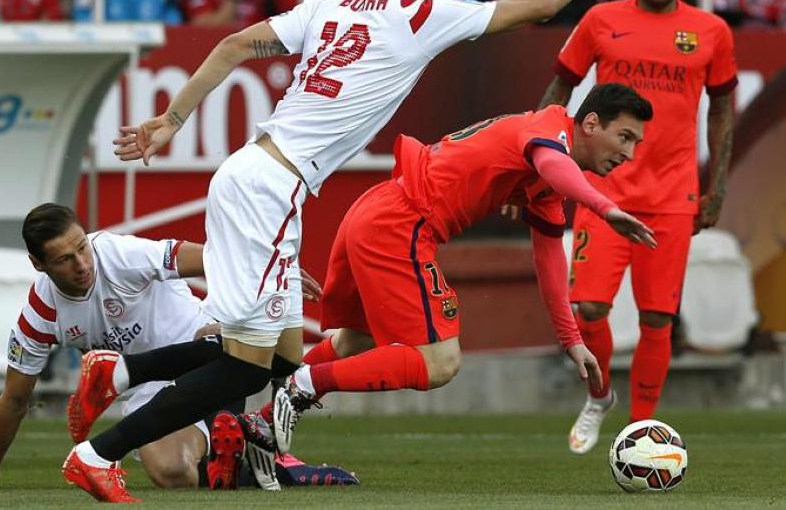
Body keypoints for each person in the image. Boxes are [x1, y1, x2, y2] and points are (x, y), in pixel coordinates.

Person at [63, 0, 617, 502]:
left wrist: (172, 120)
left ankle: (122, 374)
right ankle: (98, 454)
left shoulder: (331, 4)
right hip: (270, 188)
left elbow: (230, 44)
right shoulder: (422, 16)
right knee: (246, 365)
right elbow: (534, 5)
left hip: (259, 174)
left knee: (282, 354)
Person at [271, 84, 657, 454]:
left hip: (376, 211)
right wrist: (604, 208)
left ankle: (259, 422)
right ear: (590, 124)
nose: (629, 153)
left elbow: (549, 256)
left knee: (356, 341)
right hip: (401, 222)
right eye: (624, 137)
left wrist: (570, 338)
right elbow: (552, 163)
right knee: (440, 362)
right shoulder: (548, 132)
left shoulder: (549, 171)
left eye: (636, 143)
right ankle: (303, 383)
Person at [0, 203, 345, 494]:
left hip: (206, 359)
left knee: (236, 340)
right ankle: (249, 459)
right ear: (38, 265)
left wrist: (273, 268)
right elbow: (14, 399)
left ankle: (236, 439)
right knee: (171, 473)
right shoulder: (40, 315)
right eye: (64, 259)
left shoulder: (115, 254)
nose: (81, 263)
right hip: (148, 390)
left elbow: (208, 259)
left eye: (82, 247)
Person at [537, 0, 737, 455]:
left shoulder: (711, 31)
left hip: (673, 196)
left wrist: (716, 186)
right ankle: (600, 396)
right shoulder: (601, 20)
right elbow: (560, 86)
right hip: (604, 193)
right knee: (588, 313)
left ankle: (640, 430)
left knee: (657, 319)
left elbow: (721, 109)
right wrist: (530, 160)